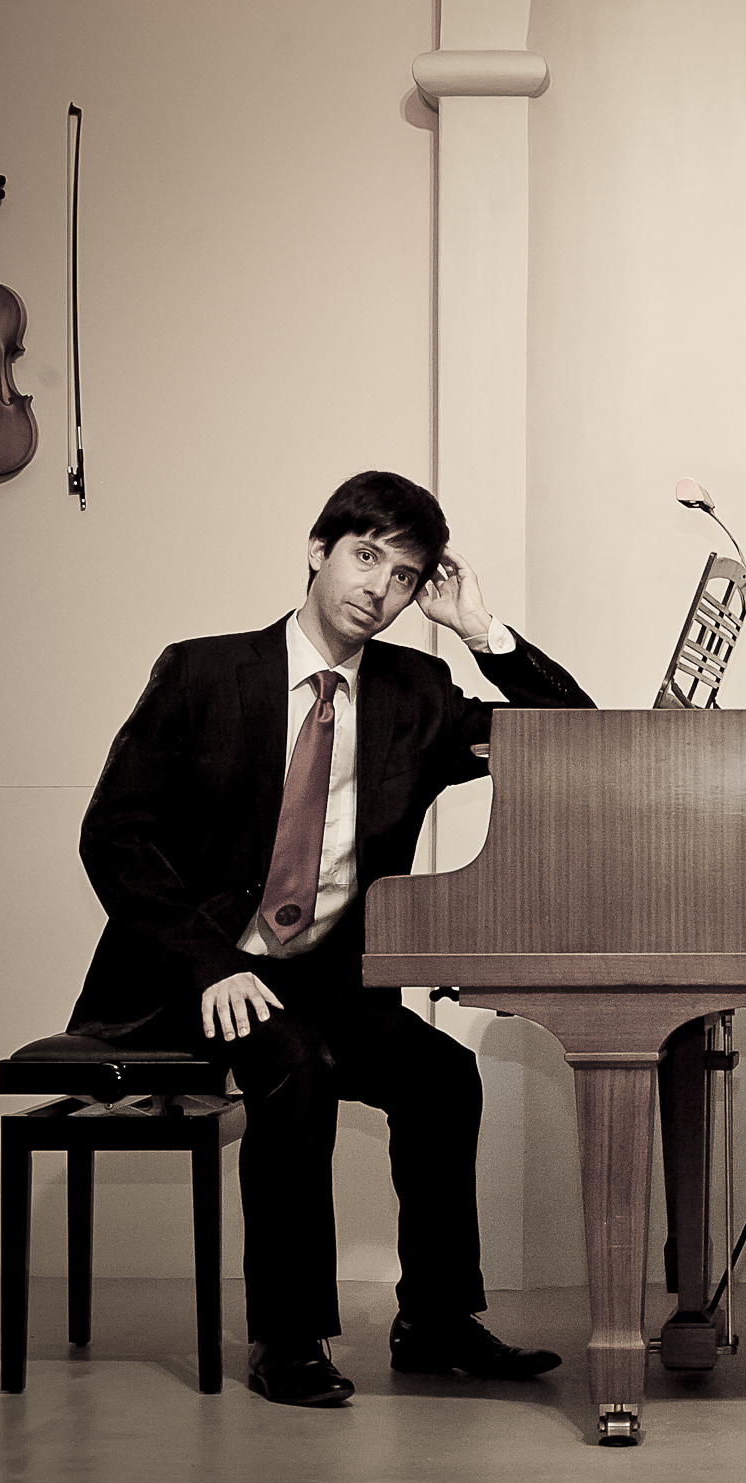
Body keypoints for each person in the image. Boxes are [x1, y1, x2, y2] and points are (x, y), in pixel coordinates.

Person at [68, 470, 598, 1406]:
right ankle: (289, 1337)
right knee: (295, 1065)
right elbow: (113, 834)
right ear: (319, 551)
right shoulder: (202, 672)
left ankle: (435, 1319)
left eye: (404, 576)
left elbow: (577, 739)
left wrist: (482, 633)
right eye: (365, 557)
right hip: (190, 977)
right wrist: (210, 964)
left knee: (442, 1077)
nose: (378, 588)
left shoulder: (418, 694)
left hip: (322, 980)